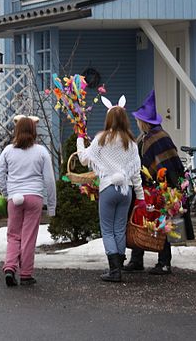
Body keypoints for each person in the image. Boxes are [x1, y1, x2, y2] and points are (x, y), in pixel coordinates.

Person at [123, 90, 195, 275]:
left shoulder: (157, 137)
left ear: (144, 122)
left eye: (139, 120)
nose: (137, 123)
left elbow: (163, 164)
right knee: (140, 220)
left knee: (161, 222)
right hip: (149, 187)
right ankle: (136, 259)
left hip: (161, 188)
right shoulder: (149, 136)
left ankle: (164, 262)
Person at [77, 96, 145, 282]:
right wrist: (140, 197)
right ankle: (119, 267)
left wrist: (79, 140)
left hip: (108, 188)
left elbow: (84, 159)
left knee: (107, 230)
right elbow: (135, 172)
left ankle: (114, 270)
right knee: (119, 229)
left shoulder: (101, 139)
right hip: (126, 190)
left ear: (108, 119)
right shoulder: (131, 142)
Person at [0, 116, 56, 287]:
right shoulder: (41, 151)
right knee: (28, 236)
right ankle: (26, 274)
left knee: (13, 235)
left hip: (15, 198)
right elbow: (50, 180)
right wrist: (51, 206)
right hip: (35, 197)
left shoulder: (8, 150)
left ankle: (9, 268)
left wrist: (8, 192)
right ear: (34, 131)